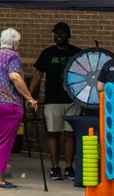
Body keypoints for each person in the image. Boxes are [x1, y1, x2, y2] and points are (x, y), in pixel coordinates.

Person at [0, 28, 40, 191]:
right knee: (1, 142)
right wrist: (29, 98)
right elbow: (15, 77)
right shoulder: (13, 56)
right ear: (16, 43)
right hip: (4, 105)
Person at [29, 21, 81, 181]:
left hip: (72, 100)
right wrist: (29, 97)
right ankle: (54, 167)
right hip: (52, 100)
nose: (58, 36)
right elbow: (37, 76)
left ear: (69, 35)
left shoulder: (76, 53)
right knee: (53, 134)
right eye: (56, 33)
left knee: (70, 135)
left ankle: (69, 167)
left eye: (62, 33)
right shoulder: (47, 53)